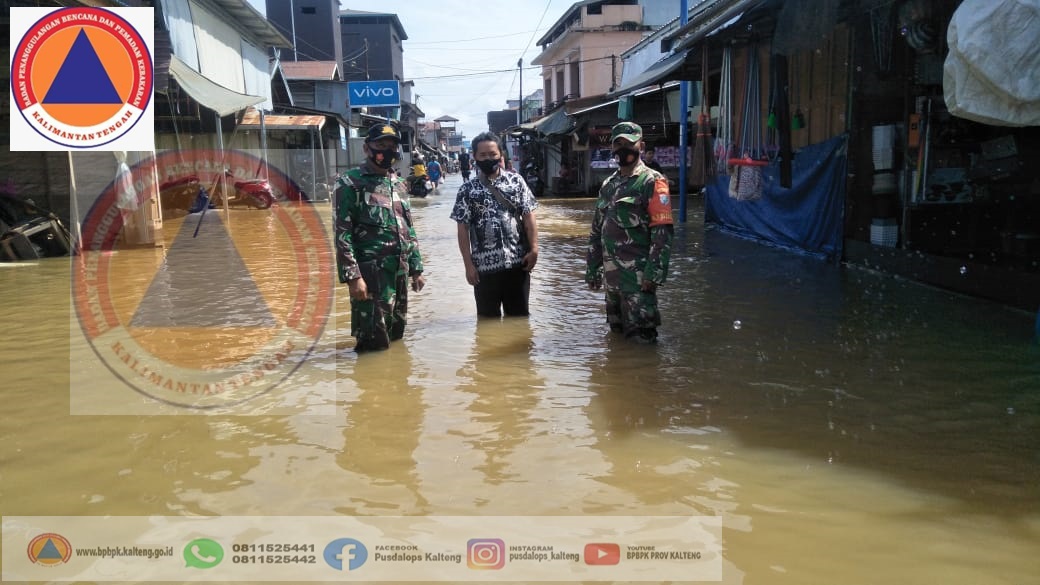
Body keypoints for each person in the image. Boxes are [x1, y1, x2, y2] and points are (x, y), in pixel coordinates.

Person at [335, 122, 426, 352]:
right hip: (372, 276)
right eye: (380, 145)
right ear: (367, 149)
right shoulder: (350, 183)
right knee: (372, 344)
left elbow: (408, 227)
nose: (387, 151)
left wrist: (416, 268)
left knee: (397, 339)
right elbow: (342, 233)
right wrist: (353, 277)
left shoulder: (397, 183)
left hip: (399, 272)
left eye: (392, 146)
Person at [585, 122, 674, 343]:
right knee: (616, 340)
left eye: (629, 144)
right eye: (619, 144)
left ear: (641, 146)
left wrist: (653, 275)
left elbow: (662, 232)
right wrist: (592, 267)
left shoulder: (652, 181)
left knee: (642, 342)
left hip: (638, 280)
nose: (623, 149)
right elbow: (597, 230)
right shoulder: (608, 184)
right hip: (612, 281)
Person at [450, 132, 539, 318]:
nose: (488, 158)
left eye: (492, 154)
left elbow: (529, 216)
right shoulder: (467, 190)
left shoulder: (517, 181)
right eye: (482, 155)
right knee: (486, 322)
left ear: (500, 155)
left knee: (519, 320)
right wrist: (468, 265)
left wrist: (534, 249)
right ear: (474, 157)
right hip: (483, 270)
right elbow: (462, 229)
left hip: (517, 264)